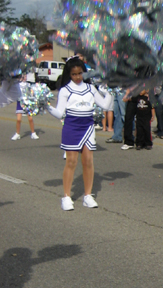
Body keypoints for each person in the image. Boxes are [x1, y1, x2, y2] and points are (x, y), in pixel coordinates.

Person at [48, 56, 113, 210]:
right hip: (71, 127)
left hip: (88, 127)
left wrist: (108, 92)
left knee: (88, 161)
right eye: (74, 74)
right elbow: (59, 113)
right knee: (71, 162)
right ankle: (66, 197)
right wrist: (46, 105)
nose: (77, 77)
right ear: (69, 75)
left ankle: (88, 196)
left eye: (80, 73)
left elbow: (104, 105)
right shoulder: (65, 90)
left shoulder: (90, 88)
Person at [10, 72, 38, 141]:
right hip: (20, 103)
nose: (25, 77)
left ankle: (33, 133)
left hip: (27, 103)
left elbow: (32, 93)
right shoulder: (17, 84)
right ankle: (17, 134)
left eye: (25, 76)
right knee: (18, 120)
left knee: (30, 119)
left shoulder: (28, 84)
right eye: (23, 76)